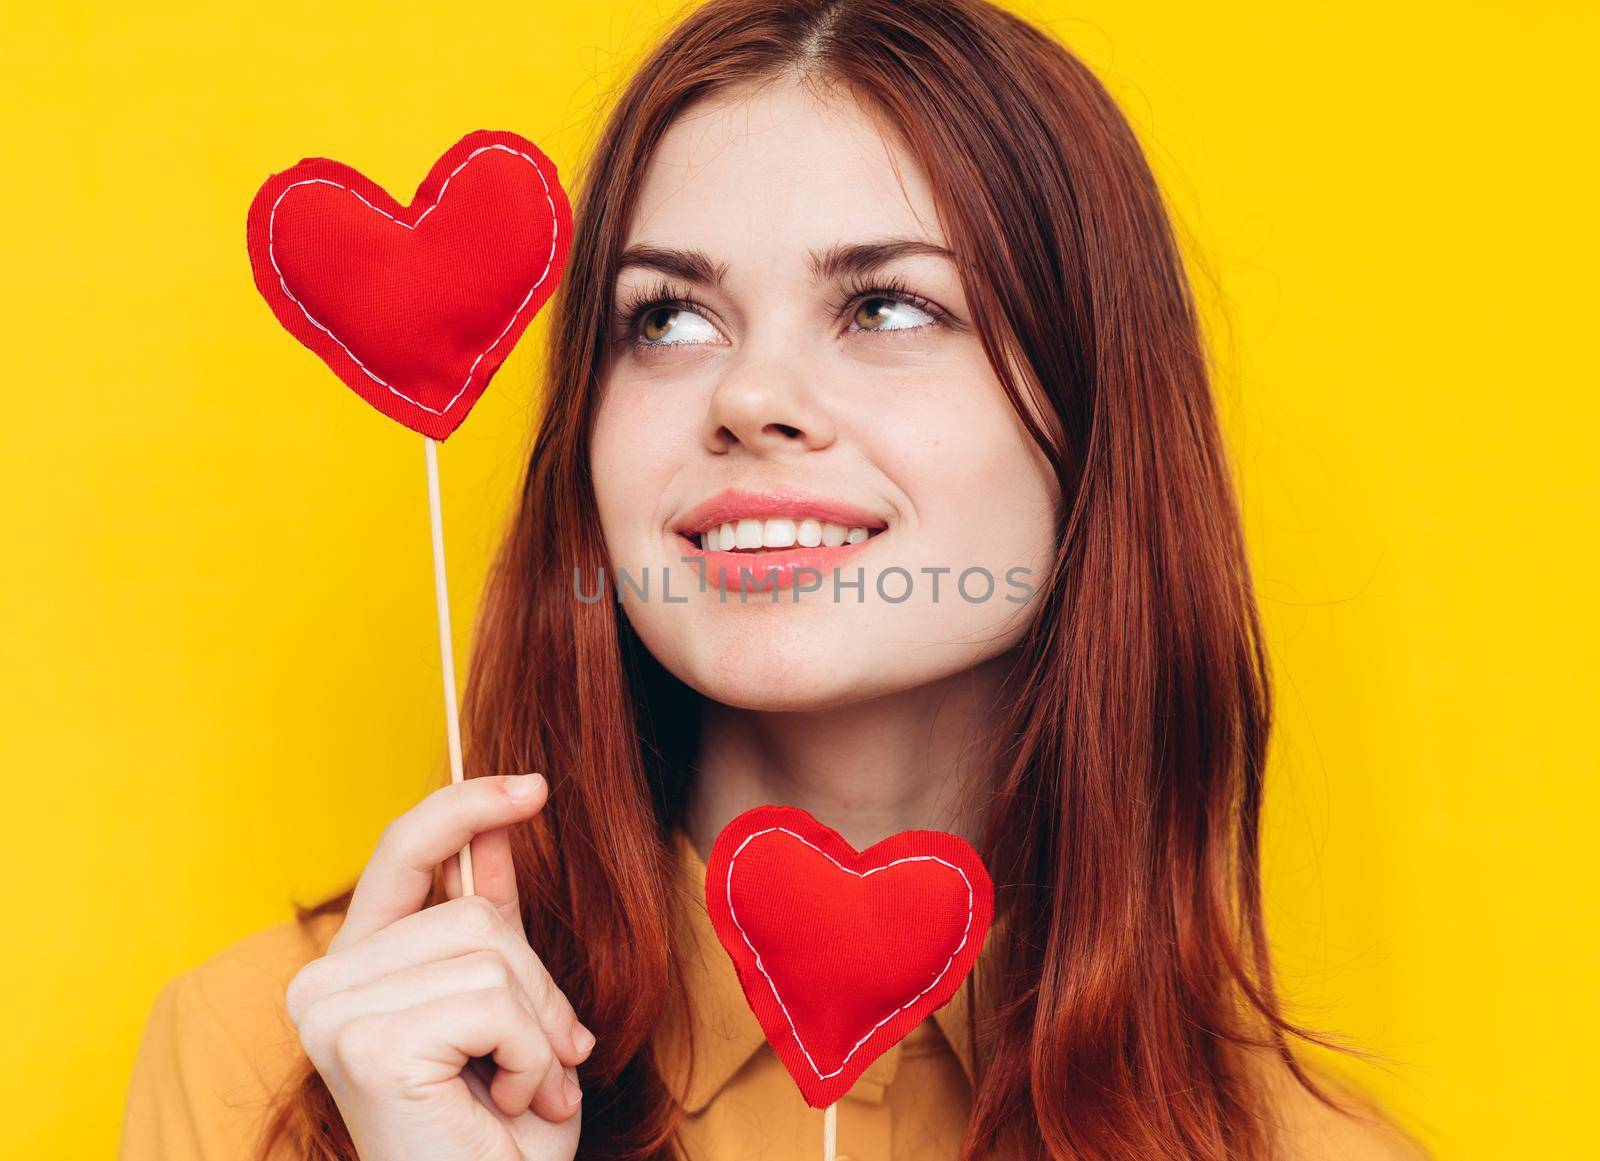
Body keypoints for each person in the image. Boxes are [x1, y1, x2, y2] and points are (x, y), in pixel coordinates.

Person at [122, 1, 1429, 1157]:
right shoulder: (275, 1070)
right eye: (668, 319)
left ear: (1095, 420)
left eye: (888, 307)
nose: (748, 396)